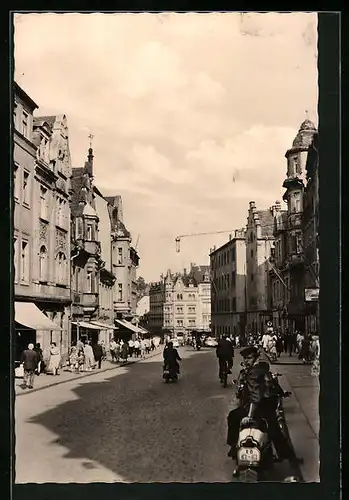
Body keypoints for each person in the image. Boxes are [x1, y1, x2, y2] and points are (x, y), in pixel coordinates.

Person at [226, 346, 302, 465]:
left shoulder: (252, 373)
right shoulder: (263, 368)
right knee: (275, 430)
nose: (246, 361)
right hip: (268, 406)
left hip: (258, 407)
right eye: (245, 358)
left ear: (255, 358)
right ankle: (290, 458)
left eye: (249, 358)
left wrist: (250, 415)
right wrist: (282, 393)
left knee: (233, 416)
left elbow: (255, 396)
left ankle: (234, 447)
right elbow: (271, 383)